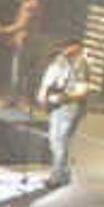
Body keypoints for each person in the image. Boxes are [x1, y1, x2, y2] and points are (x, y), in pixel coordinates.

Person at [37, 40, 95, 191]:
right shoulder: (61, 59)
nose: (64, 49)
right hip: (58, 105)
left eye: (68, 46)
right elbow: (50, 76)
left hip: (72, 106)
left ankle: (57, 177)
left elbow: (82, 91)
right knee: (54, 140)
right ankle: (64, 173)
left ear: (76, 46)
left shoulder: (82, 63)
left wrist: (61, 98)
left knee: (60, 140)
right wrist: (43, 94)